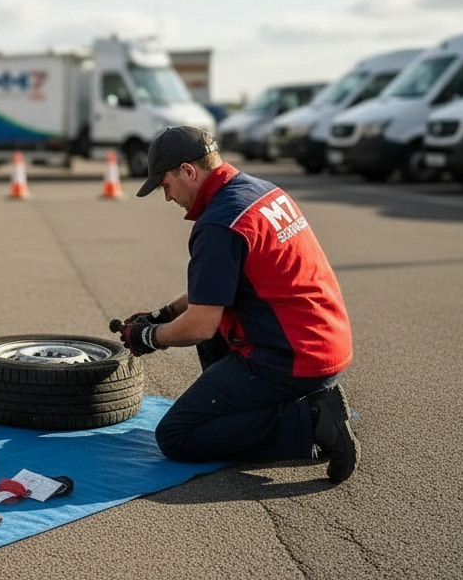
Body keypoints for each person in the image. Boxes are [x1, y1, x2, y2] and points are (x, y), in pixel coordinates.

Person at [118, 126, 359, 484]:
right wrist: (163, 315)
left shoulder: (218, 224)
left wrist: (149, 337)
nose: (167, 197)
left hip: (291, 358)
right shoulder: (260, 191)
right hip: (324, 342)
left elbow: (200, 324)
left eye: (165, 185)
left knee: (176, 437)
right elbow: (212, 293)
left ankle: (311, 418)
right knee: (214, 328)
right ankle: (262, 409)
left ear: (188, 171)